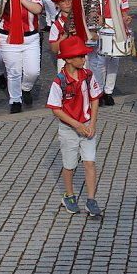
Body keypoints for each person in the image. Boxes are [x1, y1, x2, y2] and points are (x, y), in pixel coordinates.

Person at [46, 36, 103, 217]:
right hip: (69, 129)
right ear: (69, 59)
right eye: (80, 56)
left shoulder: (88, 76)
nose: (84, 59)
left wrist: (92, 123)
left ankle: (91, 199)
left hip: (87, 126)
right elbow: (56, 109)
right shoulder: (59, 81)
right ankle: (69, 196)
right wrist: (77, 125)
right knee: (69, 165)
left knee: (90, 162)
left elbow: (95, 99)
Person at [0, 0, 44, 113]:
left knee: (33, 71)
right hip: (9, 38)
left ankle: (26, 88)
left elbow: (37, 9)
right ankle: (15, 100)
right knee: (14, 72)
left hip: (31, 38)